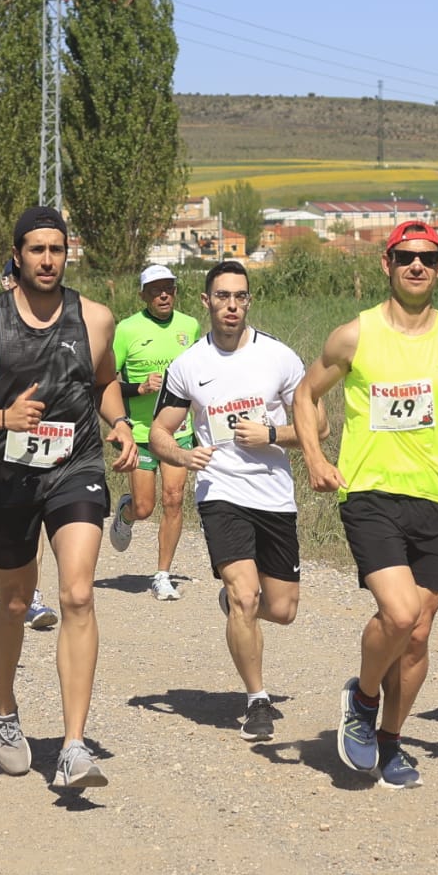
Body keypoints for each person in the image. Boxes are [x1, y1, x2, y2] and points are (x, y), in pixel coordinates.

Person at [0, 205, 138, 791]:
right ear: (17, 256)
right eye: (36, 250)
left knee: (78, 594)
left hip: (75, 467)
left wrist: (120, 423)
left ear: (67, 255)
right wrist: (2, 418)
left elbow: (104, 380)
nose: (47, 260)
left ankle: (73, 746)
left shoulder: (96, 318)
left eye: (56, 250)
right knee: (14, 602)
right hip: (8, 478)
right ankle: (5, 706)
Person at [293, 221, 438, 788]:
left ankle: (389, 742)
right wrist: (314, 457)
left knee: (417, 634)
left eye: (428, 258)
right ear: (386, 264)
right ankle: (363, 700)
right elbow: (305, 394)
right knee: (400, 612)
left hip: (433, 497)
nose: (417, 266)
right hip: (370, 493)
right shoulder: (354, 336)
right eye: (406, 257)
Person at [150, 259, 326, 740]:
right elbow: (159, 432)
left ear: (249, 301)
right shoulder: (188, 366)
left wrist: (271, 433)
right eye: (223, 296)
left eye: (240, 296)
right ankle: (257, 700)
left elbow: (320, 426)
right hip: (221, 492)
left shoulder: (279, 357)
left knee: (282, 608)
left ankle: (233, 603)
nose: (232, 305)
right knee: (246, 595)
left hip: (274, 494)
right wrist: (183, 456)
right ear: (206, 301)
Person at [109, 263, 201, 600]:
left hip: (178, 431)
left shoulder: (190, 326)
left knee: (174, 499)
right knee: (145, 507)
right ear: (143, 295)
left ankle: (162, 575)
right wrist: (139, 388)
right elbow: (106, 384)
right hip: (142, 433)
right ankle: (126, 512)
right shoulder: (126, 329)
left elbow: (199, 375)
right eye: (155, 290)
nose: (163, 295)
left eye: (169, 289)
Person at [4, 256, 61, 632]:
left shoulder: (58, 322)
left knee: (38, 518)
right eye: (13, 279)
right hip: (0, 443)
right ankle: (14, 592)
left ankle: (33, 596)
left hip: (47, 439)